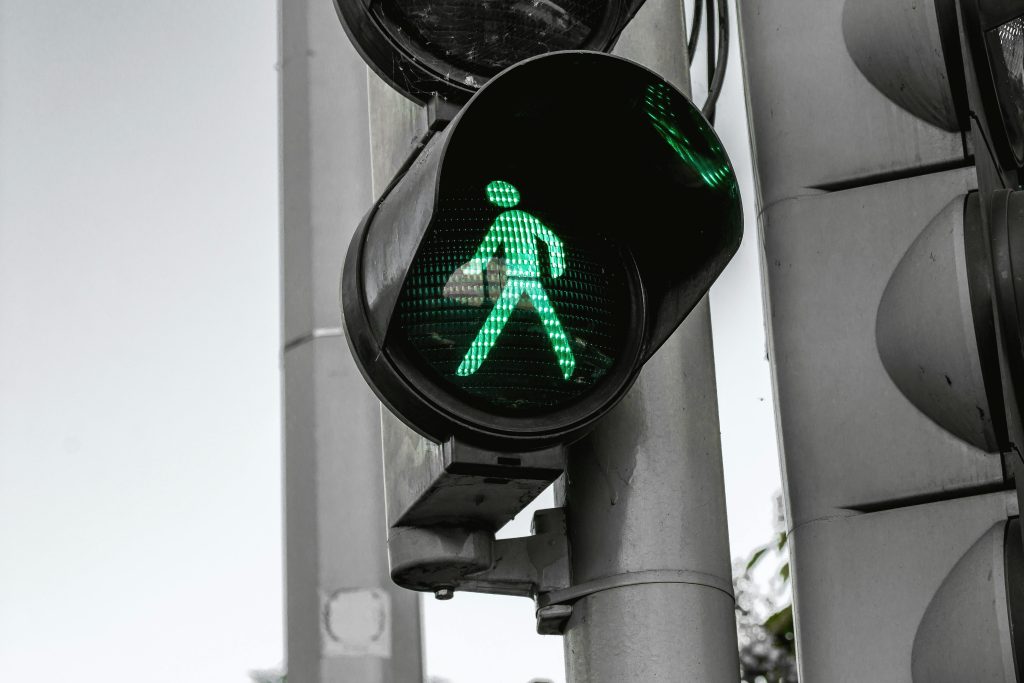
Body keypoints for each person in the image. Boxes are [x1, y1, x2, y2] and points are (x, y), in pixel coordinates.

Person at [456, 180, 576, 380]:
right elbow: (553, 240)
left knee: (496, 320)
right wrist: (556, 267)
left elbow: (488, 247)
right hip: (532, 278)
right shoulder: (528, 219)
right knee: (550, 322)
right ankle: (568, 364)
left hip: (517, 279)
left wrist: (474, 269)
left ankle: (470, 364)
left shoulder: (504, 219)